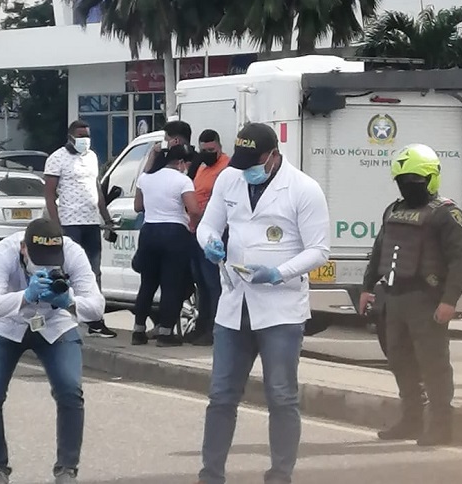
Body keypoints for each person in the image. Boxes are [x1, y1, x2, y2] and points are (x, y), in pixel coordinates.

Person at [195, 123, 330, 484]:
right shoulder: (230, 179)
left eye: (253, 162)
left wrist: (278, 272)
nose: (246, 171)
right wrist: (210, 243)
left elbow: (319, 250)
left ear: (272, 155)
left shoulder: (303, 189)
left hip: (280, 308)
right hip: (234, 303)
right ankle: (210, 475)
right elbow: (206, 225)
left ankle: (280, 474)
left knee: (281, 396)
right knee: (221, 395)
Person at [0, 217, 105, 484]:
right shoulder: (3, 252)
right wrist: (25, 296)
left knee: (70, 389)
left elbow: (96, 306)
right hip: (6, 325)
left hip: (54, 323)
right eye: (39, 259)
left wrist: (68, 301)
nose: (45, 265)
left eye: (51, 259)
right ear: (24, 249)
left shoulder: (73, 253)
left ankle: (67, 469)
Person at [359, 143, 462, 446]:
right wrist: (368, 287)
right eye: (403, 180)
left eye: (415, 181)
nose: (409, 186)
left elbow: (460, 262)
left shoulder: (447, 214)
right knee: (399, 360)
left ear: (431, 179)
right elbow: (378, 250)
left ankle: (441, 426)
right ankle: (411, 419)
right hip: (393, 298)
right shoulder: (393, 209)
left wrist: (449, 300)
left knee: (434, 363)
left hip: (427, 300)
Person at [44, 119, 117, 338]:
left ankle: (96, 320)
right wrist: (56, 225)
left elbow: (97, 190)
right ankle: (63, 317)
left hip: (90, 222)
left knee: (94, 273)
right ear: (70, 137)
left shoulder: (92, 157)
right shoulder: (56, 158)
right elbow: (49, 194)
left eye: (87, 135)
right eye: (81, 136)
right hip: (69, 223)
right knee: (67, 272)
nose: (85, 140)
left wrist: (106, 217)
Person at [131, 142, 202, 347]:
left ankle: (138, 331)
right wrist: (192, 226)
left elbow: (138, 206)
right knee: (171, 285)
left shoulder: (146, 178)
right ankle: (165, 333)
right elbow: (194, 210)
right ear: (180, 162)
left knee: (147, 284)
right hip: (174, 233)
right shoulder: (183, 181)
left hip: (149, 232)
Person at [185, 129, 230, 346]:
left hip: (217, 231)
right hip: (197, 230)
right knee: (201, 282)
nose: (207, 154)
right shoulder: (202, 167)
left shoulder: (227, 168)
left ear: (219, 147)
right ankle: (201, 326)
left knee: (213, 283)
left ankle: (214, 329)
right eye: (203, 150)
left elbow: (217, 201)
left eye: (211, 150)